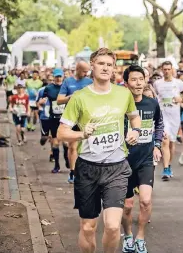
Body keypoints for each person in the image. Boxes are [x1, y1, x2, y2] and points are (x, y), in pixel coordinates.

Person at [57, 48, 141, 253]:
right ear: (92, 66)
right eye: (101, 63)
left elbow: (134, 116)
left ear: (114, 69)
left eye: (109, 65)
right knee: (88, 227)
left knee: (112, 226)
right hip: (88, 168)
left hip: (117, 168)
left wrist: (136, 130)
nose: (105, 68)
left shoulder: (123, 94)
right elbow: (61, 132)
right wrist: (82, 134)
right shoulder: (79, 97)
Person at [121, 65, 164, 253]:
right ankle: (128, 235)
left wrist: (157, 145)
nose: (138, 83)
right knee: (128, 205)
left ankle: (140, 237)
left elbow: (159, 124)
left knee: (145, 201)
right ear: (126, 83)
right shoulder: (121, 105)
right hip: (124, 160)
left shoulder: (152, 103)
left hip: (146, 160)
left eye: (141, 79)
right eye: (133, 80)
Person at [57, 61, 91, 184]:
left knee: (86, 146)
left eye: (87, 71)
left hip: (86, 118)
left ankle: (83, 170)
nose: (86, 74)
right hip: (71, 118)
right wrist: (69, 97)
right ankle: (73, 172)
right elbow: (59, 100)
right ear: (77, 69)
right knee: (73, 146)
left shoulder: (89, 82)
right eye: (84, 71)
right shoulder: (68, 82)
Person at [153, 61, 183, 181]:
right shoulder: (157, 84)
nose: (166, 71)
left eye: (168, 69)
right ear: (162, 70)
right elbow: (154, 97)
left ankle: (169, 164)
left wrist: (181, 99)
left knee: (171, 143)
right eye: (165, 69)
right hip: (162, 117)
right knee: (165, 141)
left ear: (172, 69)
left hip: (174, 116)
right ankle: (166, 169)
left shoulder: (179, 83)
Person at [39, 68, 70, 173]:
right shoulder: (48, 88)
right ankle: (57, 165)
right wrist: (42, 101)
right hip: (53, 118)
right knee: (55, 142)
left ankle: (66, 158)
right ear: (53, 77)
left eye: (60, 76)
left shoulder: (67, 87)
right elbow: (42, 99)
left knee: (66, 143)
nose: (58, 78)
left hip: (65, 119)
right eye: (56, 76)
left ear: (63, 77)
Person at [37, 75, 54, 162]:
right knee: (45, 137)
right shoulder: (41, 90)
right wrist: (40, 105)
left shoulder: (60, 90)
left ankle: (52, 154)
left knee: (53, 137)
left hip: (54, 117)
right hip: (44, 117)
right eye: (50, 80)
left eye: (52, 80)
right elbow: (37, 103)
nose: (51, 82)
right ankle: (43, 139)